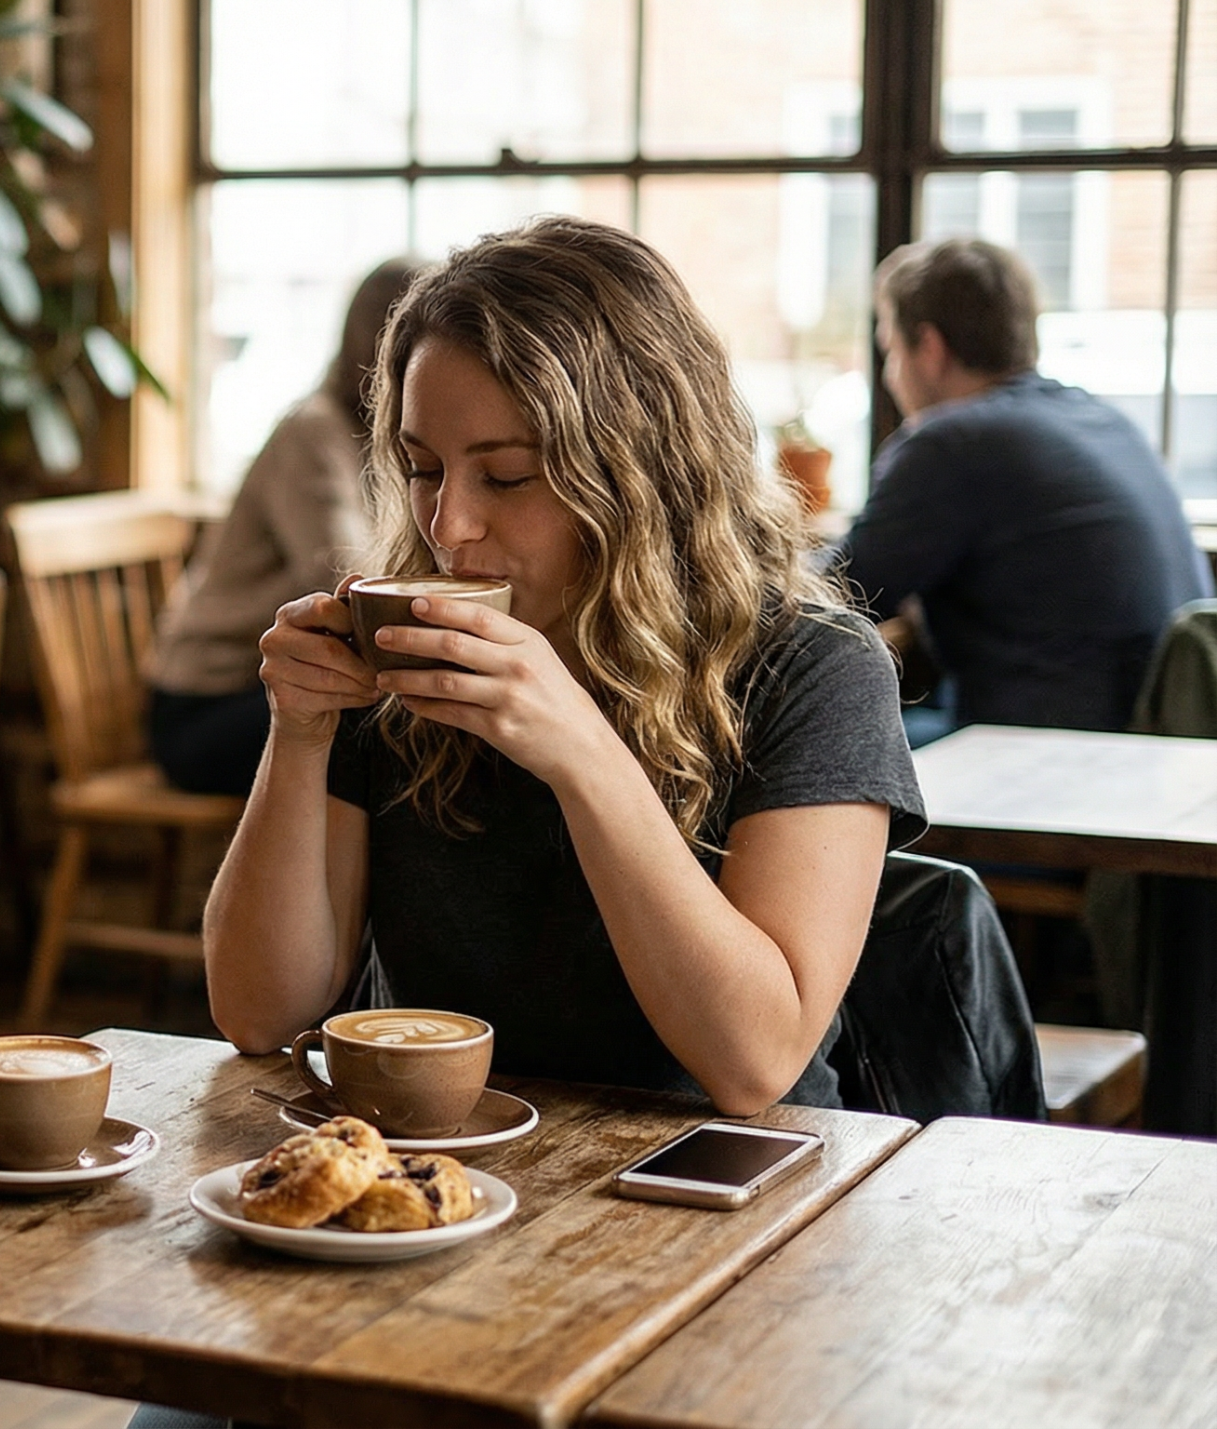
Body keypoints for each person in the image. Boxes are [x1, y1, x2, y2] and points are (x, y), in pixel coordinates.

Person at [201, 214, 925, 1116]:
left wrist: (579, 752)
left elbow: (754, 1062)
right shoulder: (399, 647)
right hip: (436, 1154)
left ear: (638, 472)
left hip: (714, 1180)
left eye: (503, 477)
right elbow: (260, 1013)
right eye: (424, 469)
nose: (448, 526)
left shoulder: (813, 668)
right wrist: (299, 735)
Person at [834, 237, 1210, 739]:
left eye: (889, 351)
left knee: (810, 754)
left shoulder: (953, 441)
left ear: (929, 348)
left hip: (1045, 755)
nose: (890, 375)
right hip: (1152, 749)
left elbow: (830, 597)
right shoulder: (1099, 418)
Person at [144, 258, 426, 796]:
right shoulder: (313, 432)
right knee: (389, 725)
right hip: (203, 707)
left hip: (258, 687)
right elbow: (345, 577)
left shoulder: (375, 439)